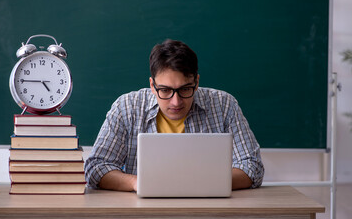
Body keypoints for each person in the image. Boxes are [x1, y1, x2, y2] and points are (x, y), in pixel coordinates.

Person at [84, 39, 264, 191]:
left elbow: (252, 167)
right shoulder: (126, 107)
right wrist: (138, 183)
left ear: (197, 82)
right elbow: (96, 168)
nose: (176, 102)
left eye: (185, 89)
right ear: (152, 86)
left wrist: (198, 184)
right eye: (165, 90)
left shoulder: (224, 105)